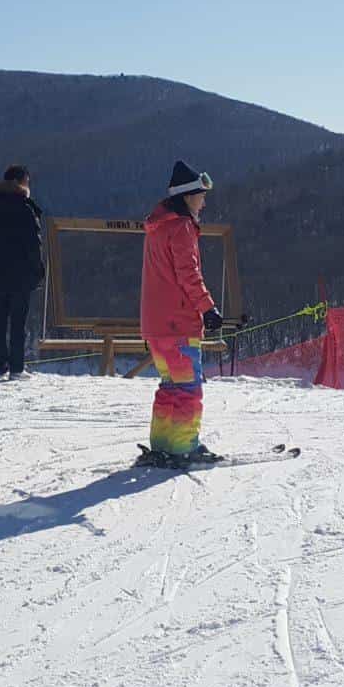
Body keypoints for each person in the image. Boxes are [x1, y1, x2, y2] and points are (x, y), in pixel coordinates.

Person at [139, 161, 224, 466]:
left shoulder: (158, 226)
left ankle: (163, 444)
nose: (204, 201)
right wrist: (208, 308)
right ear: (188, 196)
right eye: (201, 195)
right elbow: (189, 274)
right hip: (178, 325)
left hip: (156, 326)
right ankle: (185, 446)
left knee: (171, 386)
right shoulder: (182, 227)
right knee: (188, 388)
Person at [0, 165, 43, 379]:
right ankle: (17, 368)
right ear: (20, 182)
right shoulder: (24, 207)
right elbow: (33, 244)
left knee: (0, 318)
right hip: (21, 273)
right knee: (18, 321)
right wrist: (37, 270)